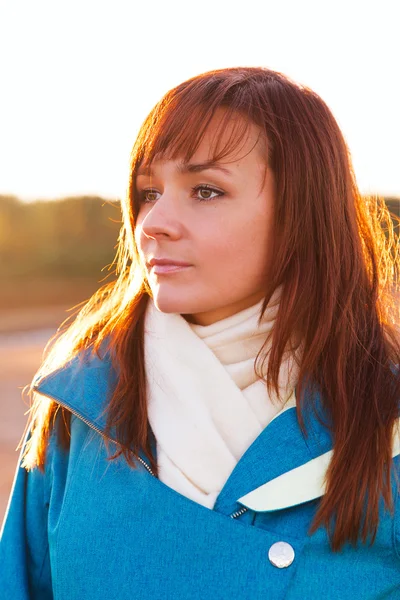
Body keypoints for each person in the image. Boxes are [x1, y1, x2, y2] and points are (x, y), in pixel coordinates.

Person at [1, 66, 400, 599]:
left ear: (302, 213)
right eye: (148, 192)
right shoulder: (80, 404)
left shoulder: (383, 422)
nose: (153, 222)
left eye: (206, 191)